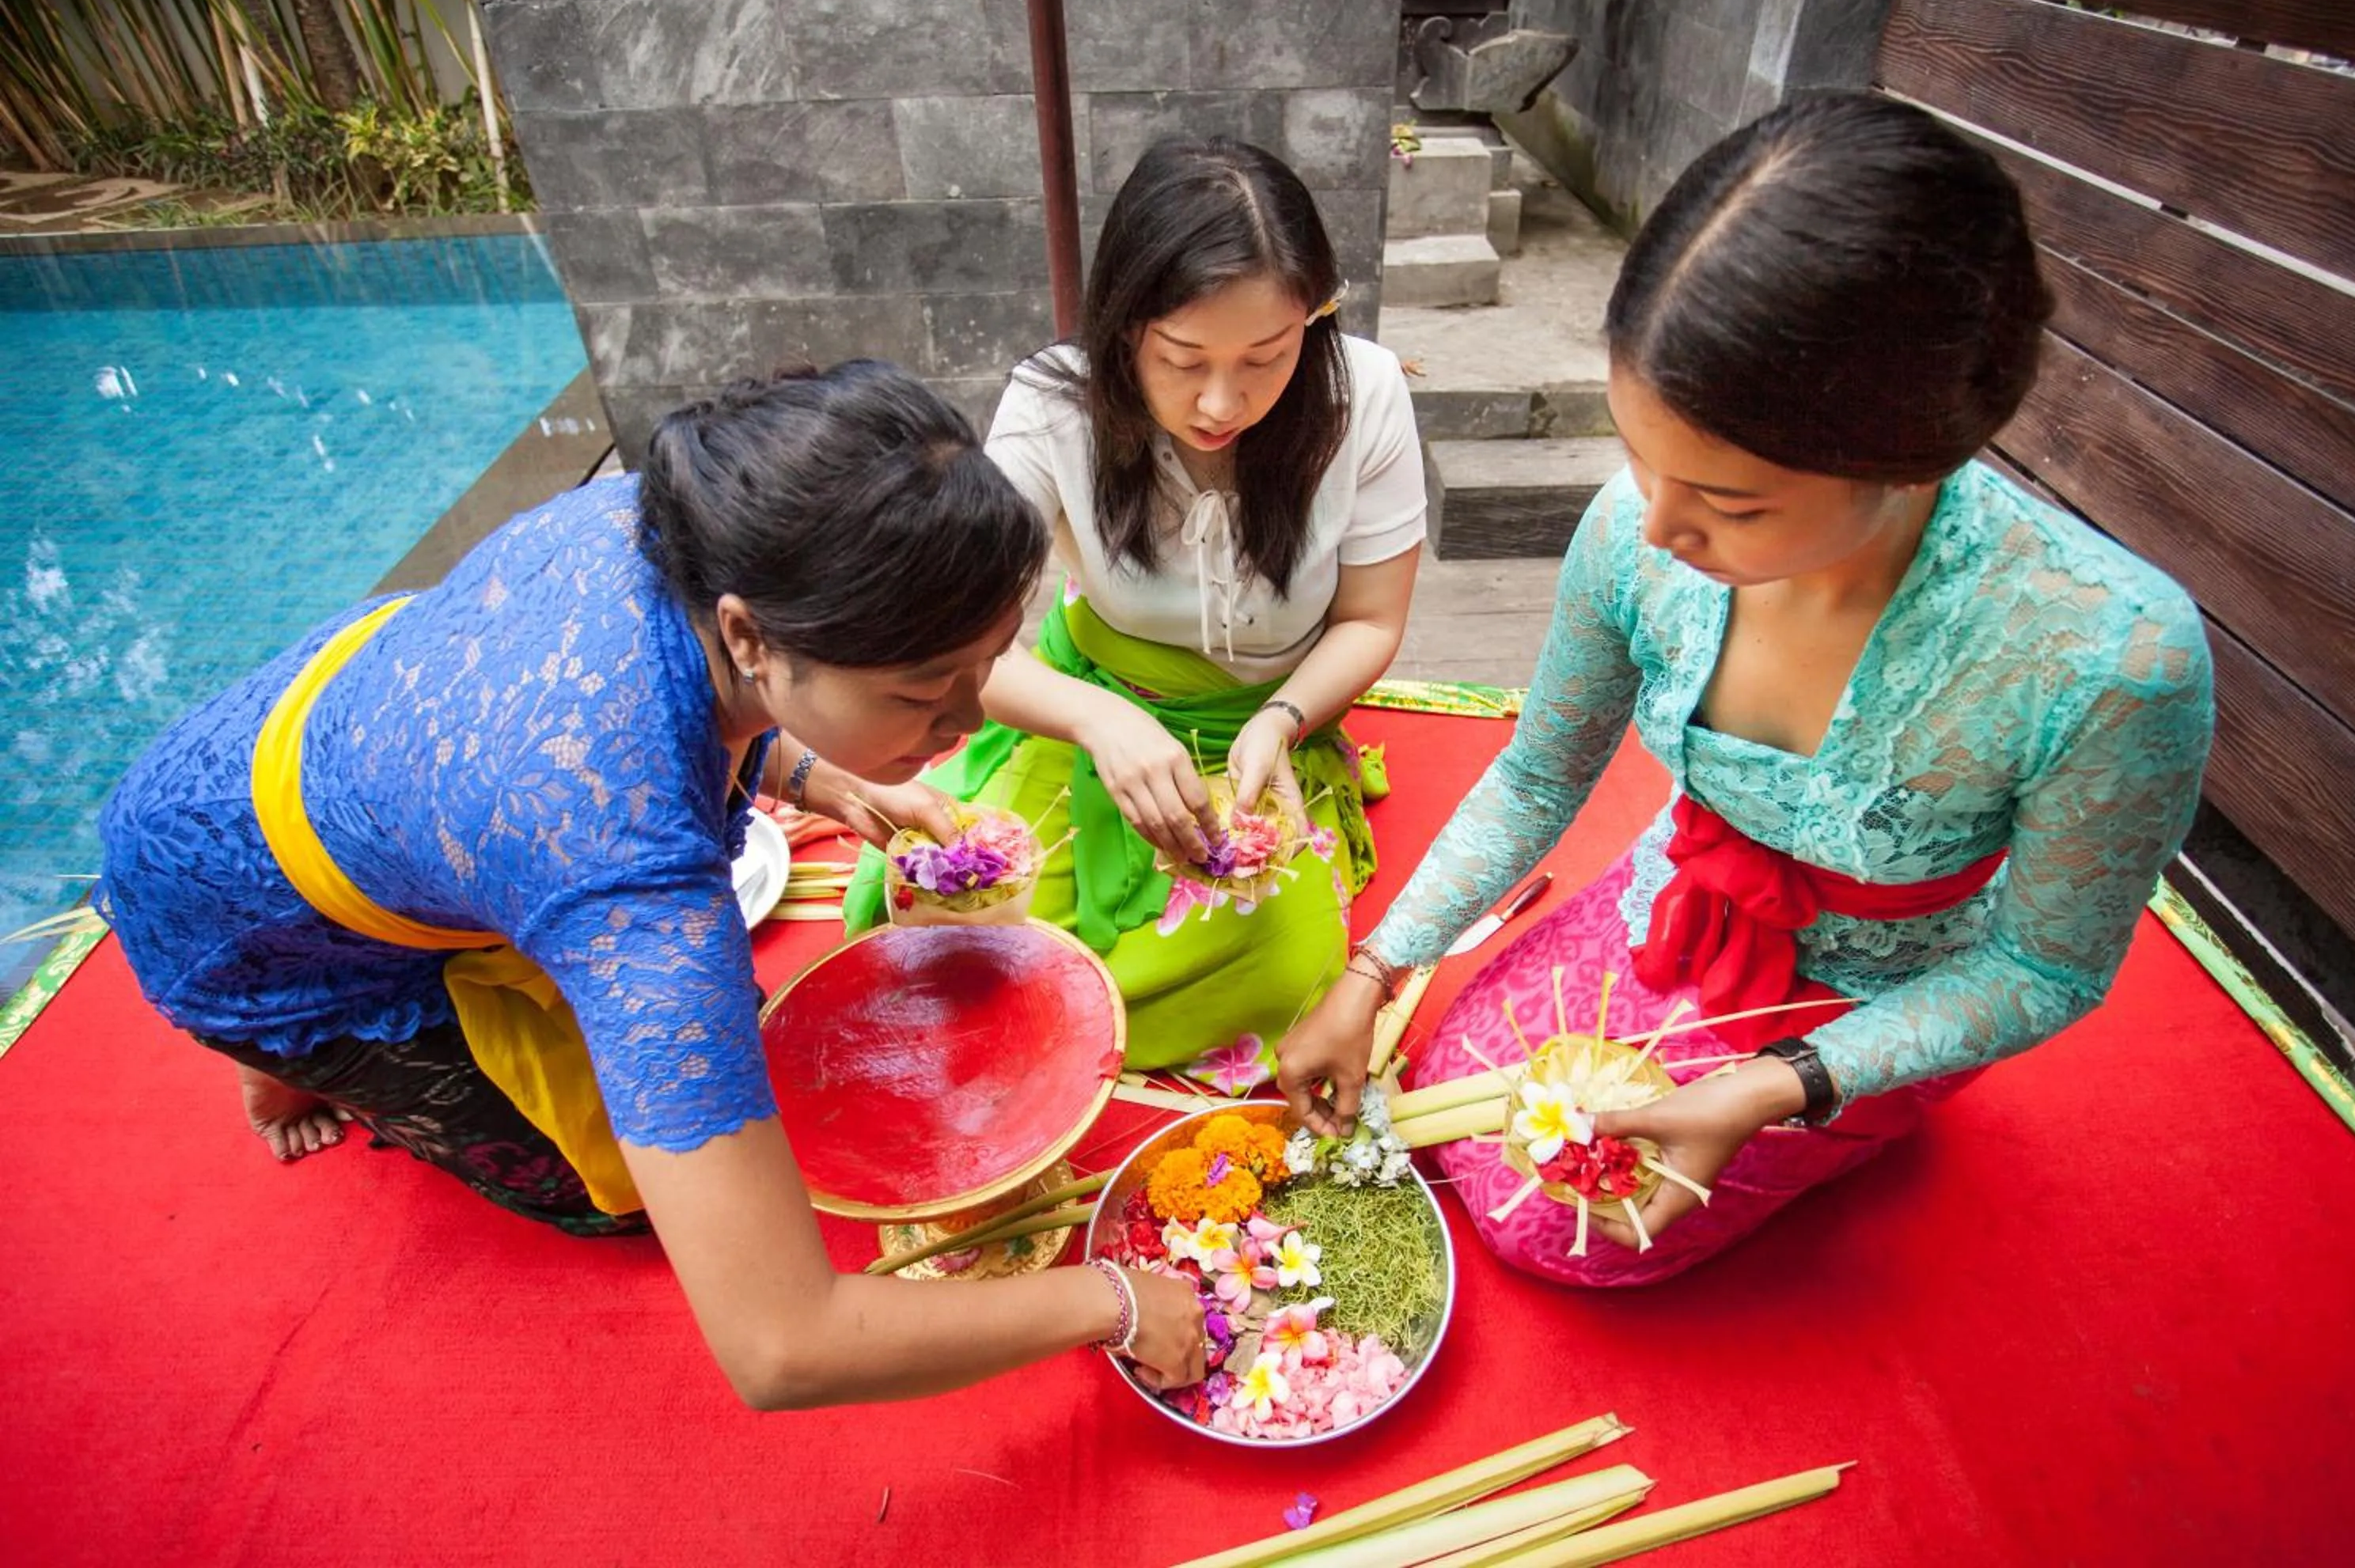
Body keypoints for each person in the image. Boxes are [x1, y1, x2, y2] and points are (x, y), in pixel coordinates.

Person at [97, 362, 1204, 1403]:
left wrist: (814, 776)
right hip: (234, 906)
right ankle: (277, 1051)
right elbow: (781, 1344)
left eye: (986, 667)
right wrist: (1108, 1300)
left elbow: (660, 702)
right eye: (924, 694)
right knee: (613, 1197)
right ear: (751, 635)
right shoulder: (637, 888)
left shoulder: (681, 517)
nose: (968, 723)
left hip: (311, 739)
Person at [1275, 93, 2216, 1286]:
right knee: (1465, 1116)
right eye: (1638, 460)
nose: (1656, 529)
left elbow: (2047, 967)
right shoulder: (1636, 531)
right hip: (1689, 903)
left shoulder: (2107, 657)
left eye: (1731, 505)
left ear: (1911, 451)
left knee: (1565, 1234)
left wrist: (1785, 1087)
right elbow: (1540, 768)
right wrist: (1377, 969)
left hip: (1882, 992)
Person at [846, 137, 1428, 1086]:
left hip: (1262, 733)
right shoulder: (1054, 402)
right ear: (1124, 326)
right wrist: (1101, 719)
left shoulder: (1363, 395)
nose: (1219, 400)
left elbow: (1368, 619)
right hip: (1087, 711)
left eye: (1266, 357)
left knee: (1279, 969)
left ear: (1313, 326)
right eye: (1182, 357)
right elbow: (956, 644)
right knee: (947, 910)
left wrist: (1283, 718)